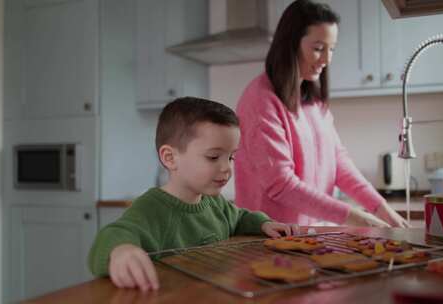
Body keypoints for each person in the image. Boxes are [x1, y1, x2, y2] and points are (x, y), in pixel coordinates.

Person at [88, 97, 300, 291]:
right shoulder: (151, 209)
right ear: (170, 158)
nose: (226, 168)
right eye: (213, 157)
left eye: (231, 157)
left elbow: (240, 218)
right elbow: (112, 235)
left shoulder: (215, 203)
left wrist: (263, 223)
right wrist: (121, 251)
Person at [234, 0, 408, 228]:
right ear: (291, 44)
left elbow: (338, 163)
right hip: (269, 238)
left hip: (305, 234)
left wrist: (379, 207)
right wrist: (353, 216)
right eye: (318, 48)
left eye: (331, 48)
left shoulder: (313, 102)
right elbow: (281, 184)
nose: (327, 60)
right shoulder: (260, 100)